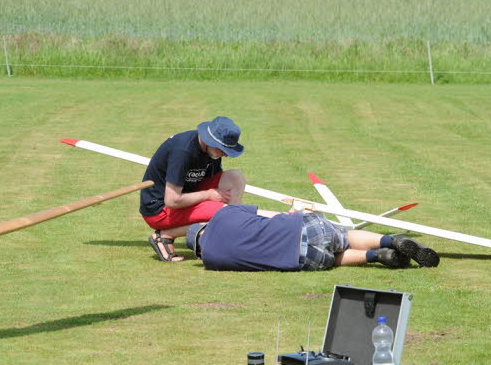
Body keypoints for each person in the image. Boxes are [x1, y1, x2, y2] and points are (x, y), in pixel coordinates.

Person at [184, 204, 440, 271]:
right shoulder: (225, 213)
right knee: (344, 235)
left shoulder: (212, 261)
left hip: (303, 259)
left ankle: (376, 257)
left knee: (335, 257)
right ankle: (389, 241)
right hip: (301, 228)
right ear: (205, 225)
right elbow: (270, 214)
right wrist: (298, 212)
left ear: (199, 250)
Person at [140, 116, 246, 262]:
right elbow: (172, 200)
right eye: (223, 149)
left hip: (187, 195)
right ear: (210, 140)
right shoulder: (183, 151)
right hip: (160, 210)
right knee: (224, 213)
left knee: (235, 178)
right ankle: (165, 235)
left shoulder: (211, 151)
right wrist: (208, 195)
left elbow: (214, 180)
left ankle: (227, 234)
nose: (226, 154)